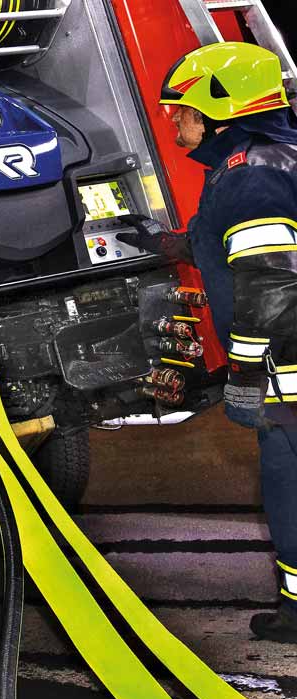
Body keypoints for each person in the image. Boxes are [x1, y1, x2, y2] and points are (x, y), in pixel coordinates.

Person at [119, 41, 297, 641]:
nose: (175, 123)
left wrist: (244, 377)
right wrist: (165, 243)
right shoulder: (272, 160)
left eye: (182, 111)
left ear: (217, 112)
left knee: (289, 484)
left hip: (288, 375)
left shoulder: (249, 176)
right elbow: (231, 246)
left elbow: (269, 282)